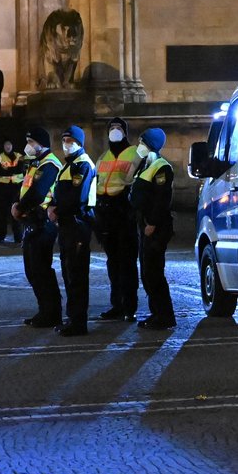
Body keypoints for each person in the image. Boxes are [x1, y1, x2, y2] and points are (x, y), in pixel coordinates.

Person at [13, 126, 63, 329]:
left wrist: (19, 208)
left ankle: (51, 313)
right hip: (32, 221)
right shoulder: (36, 164)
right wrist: (18, 204)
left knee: (41, 270)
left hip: (43, 223)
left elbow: (38, 193)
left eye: (31, 142)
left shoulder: (49, 164)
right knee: (33, 271)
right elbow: (26, 189)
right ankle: (44, 310)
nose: (28, 146)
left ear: (41, 144)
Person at [50, 125, 98, 337]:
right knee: (69, 273)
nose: (66, 144)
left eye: (70, 140)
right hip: (67, 224)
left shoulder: (82, 165)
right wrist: (52, 206)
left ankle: (79, 322)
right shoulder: (69, 165)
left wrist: (57, 210)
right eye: (64, 140)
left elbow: (77, 198)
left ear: (79, 142)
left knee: (77, 275)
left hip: (77, 224)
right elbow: (59, 193)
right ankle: (72, 318)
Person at [92, 116, 141, 322]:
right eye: (111, 127)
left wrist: (130, 211)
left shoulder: (134, 154)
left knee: (127, 263)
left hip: (124, 213)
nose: (114, 131)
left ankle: (129, 306)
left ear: (125, 131)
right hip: (106, 214)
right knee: (113, 263)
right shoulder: (103, 157)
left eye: (118, 128)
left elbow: (136, 185)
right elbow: (97, 184)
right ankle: (117, 304)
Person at [131, 127, 178, 329]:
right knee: (147, 273)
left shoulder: (161, 167)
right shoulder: (145, 165)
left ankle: (165, 315)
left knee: (154, 273)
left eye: (142, 143)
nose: (139, 146)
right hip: (144, 224)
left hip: (155, 227)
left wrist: (152, 223)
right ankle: (155, 313)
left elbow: (161, 199)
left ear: (151, 145)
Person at [0, 138, 24, 243]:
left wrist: (7, 171)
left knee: (16, 211)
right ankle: (1, 235)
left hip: (15, 188)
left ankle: (18, 236)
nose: (8, 146)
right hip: (2, 188)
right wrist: (11, 172)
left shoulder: (19, 156)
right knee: (2, 213)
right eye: (6, 144)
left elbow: (20, 170)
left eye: (9, 144)